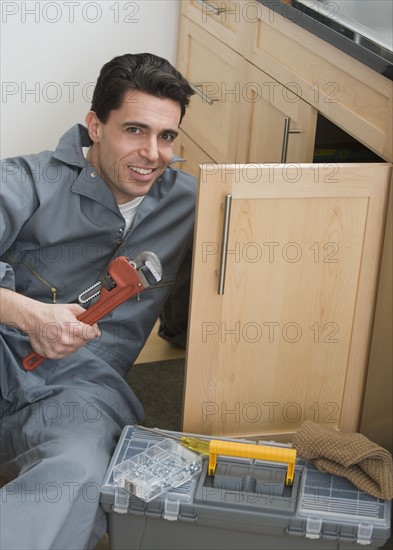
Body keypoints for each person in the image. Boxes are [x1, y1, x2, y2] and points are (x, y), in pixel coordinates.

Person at [0, 53, 196, 549]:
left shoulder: (192, 203)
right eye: (134, 130)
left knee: (81, 473)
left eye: (167, 136)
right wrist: (28, 313)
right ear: (94, 125)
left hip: (78, 389)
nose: (152, 153)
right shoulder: (23, 180)